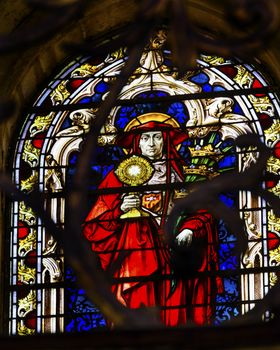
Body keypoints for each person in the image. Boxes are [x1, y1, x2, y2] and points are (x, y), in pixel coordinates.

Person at [83, 115, 223, 326]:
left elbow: (205, 211)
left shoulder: (184, 174)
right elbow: (94, 226)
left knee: (178, 313)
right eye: (144, 138)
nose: (151, 143)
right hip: (137, 256)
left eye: (157, 137)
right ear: (136, 143)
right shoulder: (118, 176)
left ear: (165, 140)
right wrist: (119, 209)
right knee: (139, 307)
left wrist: (189, 229)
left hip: (177, 254)